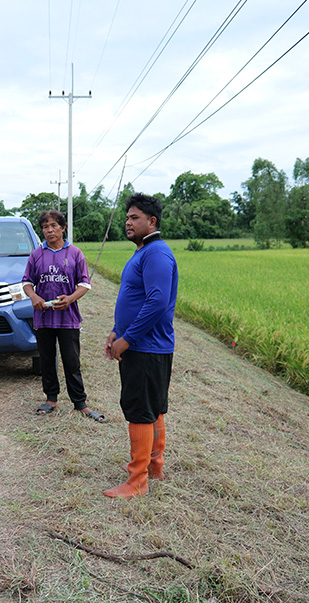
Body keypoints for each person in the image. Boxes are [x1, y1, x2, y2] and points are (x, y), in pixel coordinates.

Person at [103, 193, 178, 499]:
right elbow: (134, 298)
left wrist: (128, 338)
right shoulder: (145, 251)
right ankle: (153, 465)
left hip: (146, 347)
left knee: (140, 411)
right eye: (127, 218)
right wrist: (115, 330)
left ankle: (137, 481)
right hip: (144, 345)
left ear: (152, 221)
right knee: (153, 409)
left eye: (135, 218)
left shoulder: (156, 254)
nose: (128, 223)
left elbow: (157, 301)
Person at [22, 209, 105, 423]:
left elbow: (84, 284)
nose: (49, 230)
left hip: (68, 318)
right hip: (43, 317)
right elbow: (26, 283)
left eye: (53, 226)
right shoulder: (36, 254)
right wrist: (34, 298)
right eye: (45, 227)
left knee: (71, 360)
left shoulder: (75, 254)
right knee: (47, 360)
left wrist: (70, 299)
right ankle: (51, 399)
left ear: (63, 228)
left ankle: (80, 403)